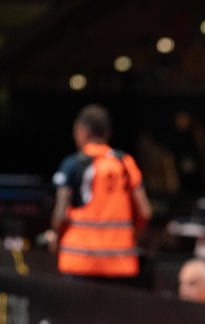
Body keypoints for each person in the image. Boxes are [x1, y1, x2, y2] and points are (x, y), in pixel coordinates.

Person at [45, 104, 152, 283]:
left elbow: (61, 214)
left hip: (79, 262)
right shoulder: (125, 163)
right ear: (107, 133)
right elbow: (146, 212)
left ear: (82, 131)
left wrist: (56, 234)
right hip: (120, 264)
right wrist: (130, 236)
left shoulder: (72, 164)